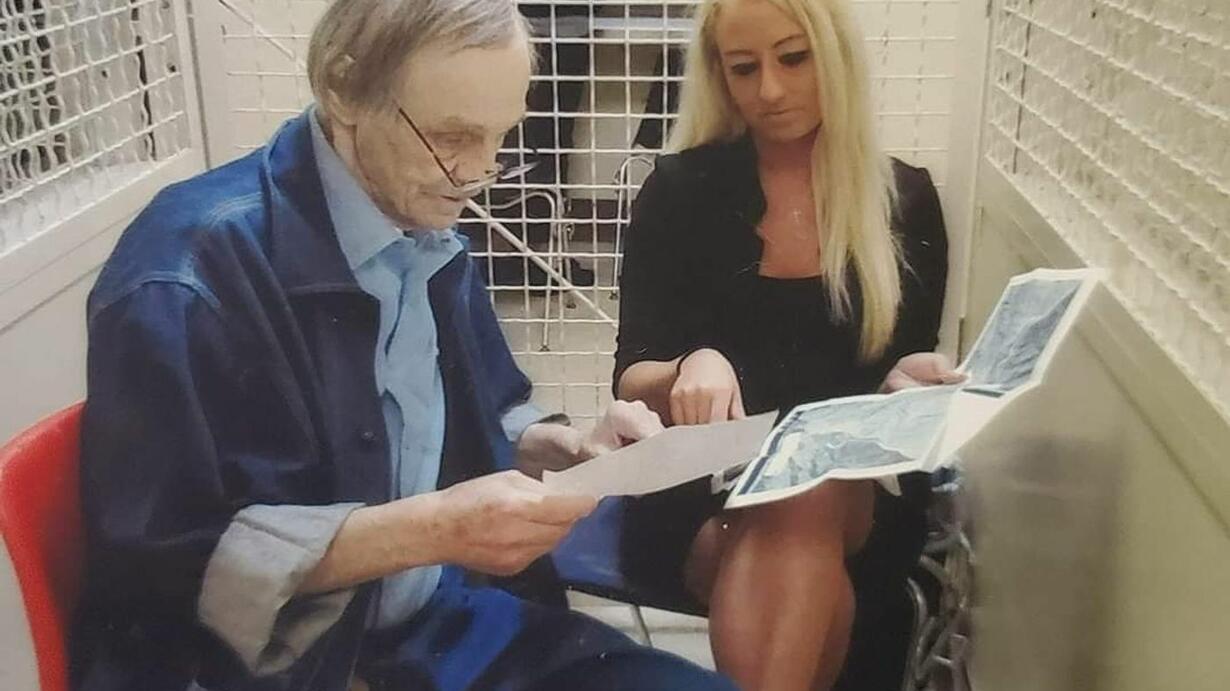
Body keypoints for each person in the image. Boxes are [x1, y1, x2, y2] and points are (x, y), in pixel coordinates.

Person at [69, 2, 738, 690]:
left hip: (429, 620)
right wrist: (429, 530)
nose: (478, 174)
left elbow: (486, 413)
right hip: (267, 663)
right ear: (343, 90)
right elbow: (165, 567)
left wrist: (564, 452)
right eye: (451, 137)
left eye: (502, 137)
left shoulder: (426, 230)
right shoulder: (184, 276)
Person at [613, 0, 960, 689]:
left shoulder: (905, 200)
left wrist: (904, 383)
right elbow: (629, 379)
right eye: (744, 68)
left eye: (794, 58)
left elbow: (897, 374)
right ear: (719, 75)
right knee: (801, 536)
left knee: (806, 487)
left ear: (835, 55)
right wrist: (686, 366)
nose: (770, 89)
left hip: (856, 493)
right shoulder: (680, 192)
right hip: (702, 492)